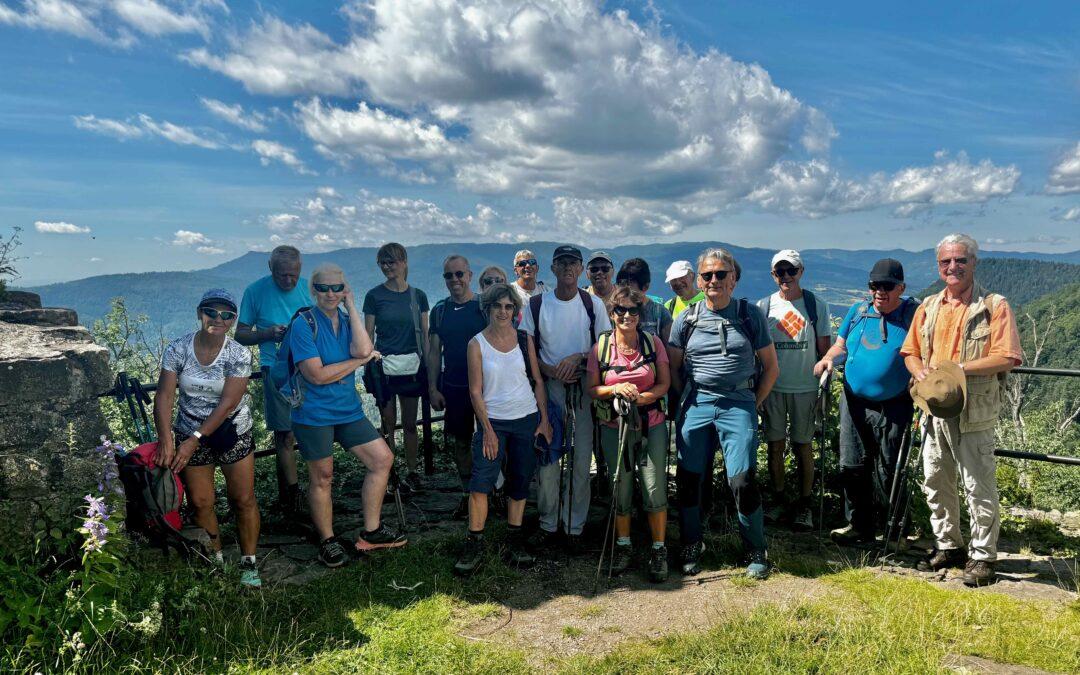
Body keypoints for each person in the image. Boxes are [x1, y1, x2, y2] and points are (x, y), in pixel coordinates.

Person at [901, 234, 1021, 587]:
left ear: (973, 263)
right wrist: (920, 372)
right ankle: (948, 545)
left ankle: (983, 557)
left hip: (974, 409)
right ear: (938, 266)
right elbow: (911, 352)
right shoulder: (928, 306)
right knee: (936, 479)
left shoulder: (994, 306)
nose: (952, 267)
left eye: (960, 261)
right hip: (933, 405)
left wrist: (960, 371)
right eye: (945, 262)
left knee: (977, 483)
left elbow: (1008, 356)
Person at [668, 248, 778, 579]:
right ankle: (691, 543)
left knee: (742, 478)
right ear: (698, 280)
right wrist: (685, 401)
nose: (713, 280)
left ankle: (755, 548)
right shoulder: (686, 319)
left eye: (720, 274)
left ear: (734, 278)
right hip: (697, 402)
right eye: (707, 275)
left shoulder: (749, 315)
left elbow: (771, 367)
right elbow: (674, 369)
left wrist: (753, 402)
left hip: (739, 403)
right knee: (689, 478)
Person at [289, 263, 406, 567]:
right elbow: (316, 375)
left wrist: (352, 305)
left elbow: (364, 346)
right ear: (314, 290)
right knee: (323, 477)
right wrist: (359, 362)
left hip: (347, 409)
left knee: (382, 460)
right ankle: (327, 541)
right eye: (324, 288)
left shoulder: (345, 318)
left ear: (345, 289)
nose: (331, 293)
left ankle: (371, 532)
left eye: (337, 287)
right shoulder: (303, 324)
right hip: (313, 413)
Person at [154, 288, 261, 588]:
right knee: (201, 502)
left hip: (231, 432)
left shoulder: (238, 353)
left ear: (233, 320)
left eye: (226, 315)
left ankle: (248, 563)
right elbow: (164, 394)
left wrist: (193, 440)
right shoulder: (178, 349)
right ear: (199, 313)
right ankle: (216, 562)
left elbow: (229, 401)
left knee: (243, 499)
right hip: (189, 430)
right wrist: (166, 439)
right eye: (211, 312)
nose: (218, 319)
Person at [814, 259, 919, 545]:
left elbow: (925, 352)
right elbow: (840, 346)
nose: (879, 292)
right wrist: (827, 360)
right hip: (853, 399)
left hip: (894, 403)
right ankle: (859, 525)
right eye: (874, 285)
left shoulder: (913, 315)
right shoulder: (858, 311)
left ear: (901, 288)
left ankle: (895, 529)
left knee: (890, 467)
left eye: (886, 286)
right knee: (852, 464)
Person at [454, 283, 552, 574]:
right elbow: (475, 391)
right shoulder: (477, 344)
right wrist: (487, 430)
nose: (503, 311)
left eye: (509, 306)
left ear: (515, 311)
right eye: (497, 306)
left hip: (526, 419)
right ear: (488, 308)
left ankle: (514, 538)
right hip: (493, 421)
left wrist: (544, 420)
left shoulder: (524, 340)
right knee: (480, 483)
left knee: (520, 483)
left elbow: (537, 380)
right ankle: (474, 543)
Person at [520, 245, 612, 550]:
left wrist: (579, 359)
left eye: (573, 263)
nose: (568, 268)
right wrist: (549, 369)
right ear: (554, 269)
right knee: (548, 459)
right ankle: (549, 523)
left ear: (579, 268)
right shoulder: (536, 305)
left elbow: (604, 347)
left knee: (582, 460)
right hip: (549, 390)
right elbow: (529, 350)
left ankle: (575, 526)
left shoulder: (593, 304)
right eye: (563, 263)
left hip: (584, 388)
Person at [586, 286, 671, 582]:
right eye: (620, 310)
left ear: (640, 313)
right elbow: (593, 389)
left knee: (654, 486)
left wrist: (646, 397)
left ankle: (658, 549)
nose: (627, 315)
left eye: (633, 310)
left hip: (651, 424)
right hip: (614, 426)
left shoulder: (653, 343)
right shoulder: (601, 348)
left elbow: (664, 383)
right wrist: (615, 389)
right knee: (619, 485)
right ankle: (624, 545)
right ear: (611, 314)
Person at [757, 249, 832, 531]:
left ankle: (804, 504)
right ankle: (778, 500)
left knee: (803, 446)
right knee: (775, 446)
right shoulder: (763, 307)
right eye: (780, 272)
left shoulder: (816, 305)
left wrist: (825, 375)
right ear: (773, 275)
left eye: (791, 271)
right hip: (773, 388)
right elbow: (757, 352)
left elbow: (824, 351)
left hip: (805, 387)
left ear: (801, 272)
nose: (785, 277)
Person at [235, 245, 312, 515]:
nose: (289, 281)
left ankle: (313, 489)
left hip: (309, 367)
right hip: (276, 368)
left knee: (313, 429)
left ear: (300, 268)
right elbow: (240, 334)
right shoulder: (255, 291)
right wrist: (267, 334)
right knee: (285, 433)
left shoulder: (309, 288)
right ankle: (291, 496)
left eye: (293, 274)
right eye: (282, 276)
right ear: (271, 268)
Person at [363, 243, 429, 492]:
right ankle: (390, 472)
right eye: (383, 262)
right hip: (384, 367)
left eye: (392, 261)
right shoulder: (373, 296)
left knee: (410, 424)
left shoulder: (418, 296)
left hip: (411, 366)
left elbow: (424, 334)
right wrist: (369, 361)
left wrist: (429, 366)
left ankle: (412, 471)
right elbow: (368, 336)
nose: (387, 266)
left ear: (404, 262)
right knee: (388, 424)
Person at [428, 255, 488, 518]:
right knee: (461, 443)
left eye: (459, 274)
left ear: (470, 275)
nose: (455, 280)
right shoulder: (440, 311)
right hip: (453, 385)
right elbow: (433, 352)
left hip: (487, 386)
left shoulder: (484, 308)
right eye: (449, 275)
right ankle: (468, 494)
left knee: (491, 439)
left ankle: (489, 491)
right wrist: (432, 387)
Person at [615, 258, 673, 342]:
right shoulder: (615, 311)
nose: (625, 291)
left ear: (645, 287)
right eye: (621, 284)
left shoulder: (660, 313)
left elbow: (670, 350)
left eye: (630, 287)